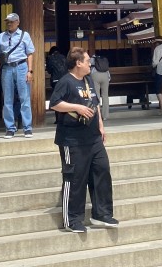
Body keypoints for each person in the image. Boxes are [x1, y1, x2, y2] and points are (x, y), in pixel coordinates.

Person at [49, 47, 118, 233]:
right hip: (72, 139)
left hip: (93, 137)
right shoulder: (66, 81)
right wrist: (77, 108)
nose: (90, 64)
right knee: (75, 178)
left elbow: (95, 104)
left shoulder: (88, 80)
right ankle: (72, 219)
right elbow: (54, 103)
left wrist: (101, 125)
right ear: (78, 63)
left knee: (102, 171)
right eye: (87, 61)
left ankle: (102, 213)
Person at [0, 12, 36, 138]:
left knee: (25, 98)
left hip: (21, 66)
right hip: (7, 67)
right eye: (8, 22)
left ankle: (27, 127)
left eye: (11, 21)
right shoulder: (1, 36)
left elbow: (30, 54)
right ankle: (10, 128)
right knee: (7, 99)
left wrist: (30, 71)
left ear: (18, 22)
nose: (9, 24)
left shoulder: (24, 35)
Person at [90, 53, 111, 121]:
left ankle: (97, 115)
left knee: (97, 96)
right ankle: (105, 116)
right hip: (105, 75)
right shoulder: (103, 59)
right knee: (105, 96)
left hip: (95, 75)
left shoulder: (92, 59)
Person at [151, 39, 162, 111]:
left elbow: (155, 62)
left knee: (158, 89)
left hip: (160, 71)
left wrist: (153, 66)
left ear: (157, 43)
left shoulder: (157, 49)